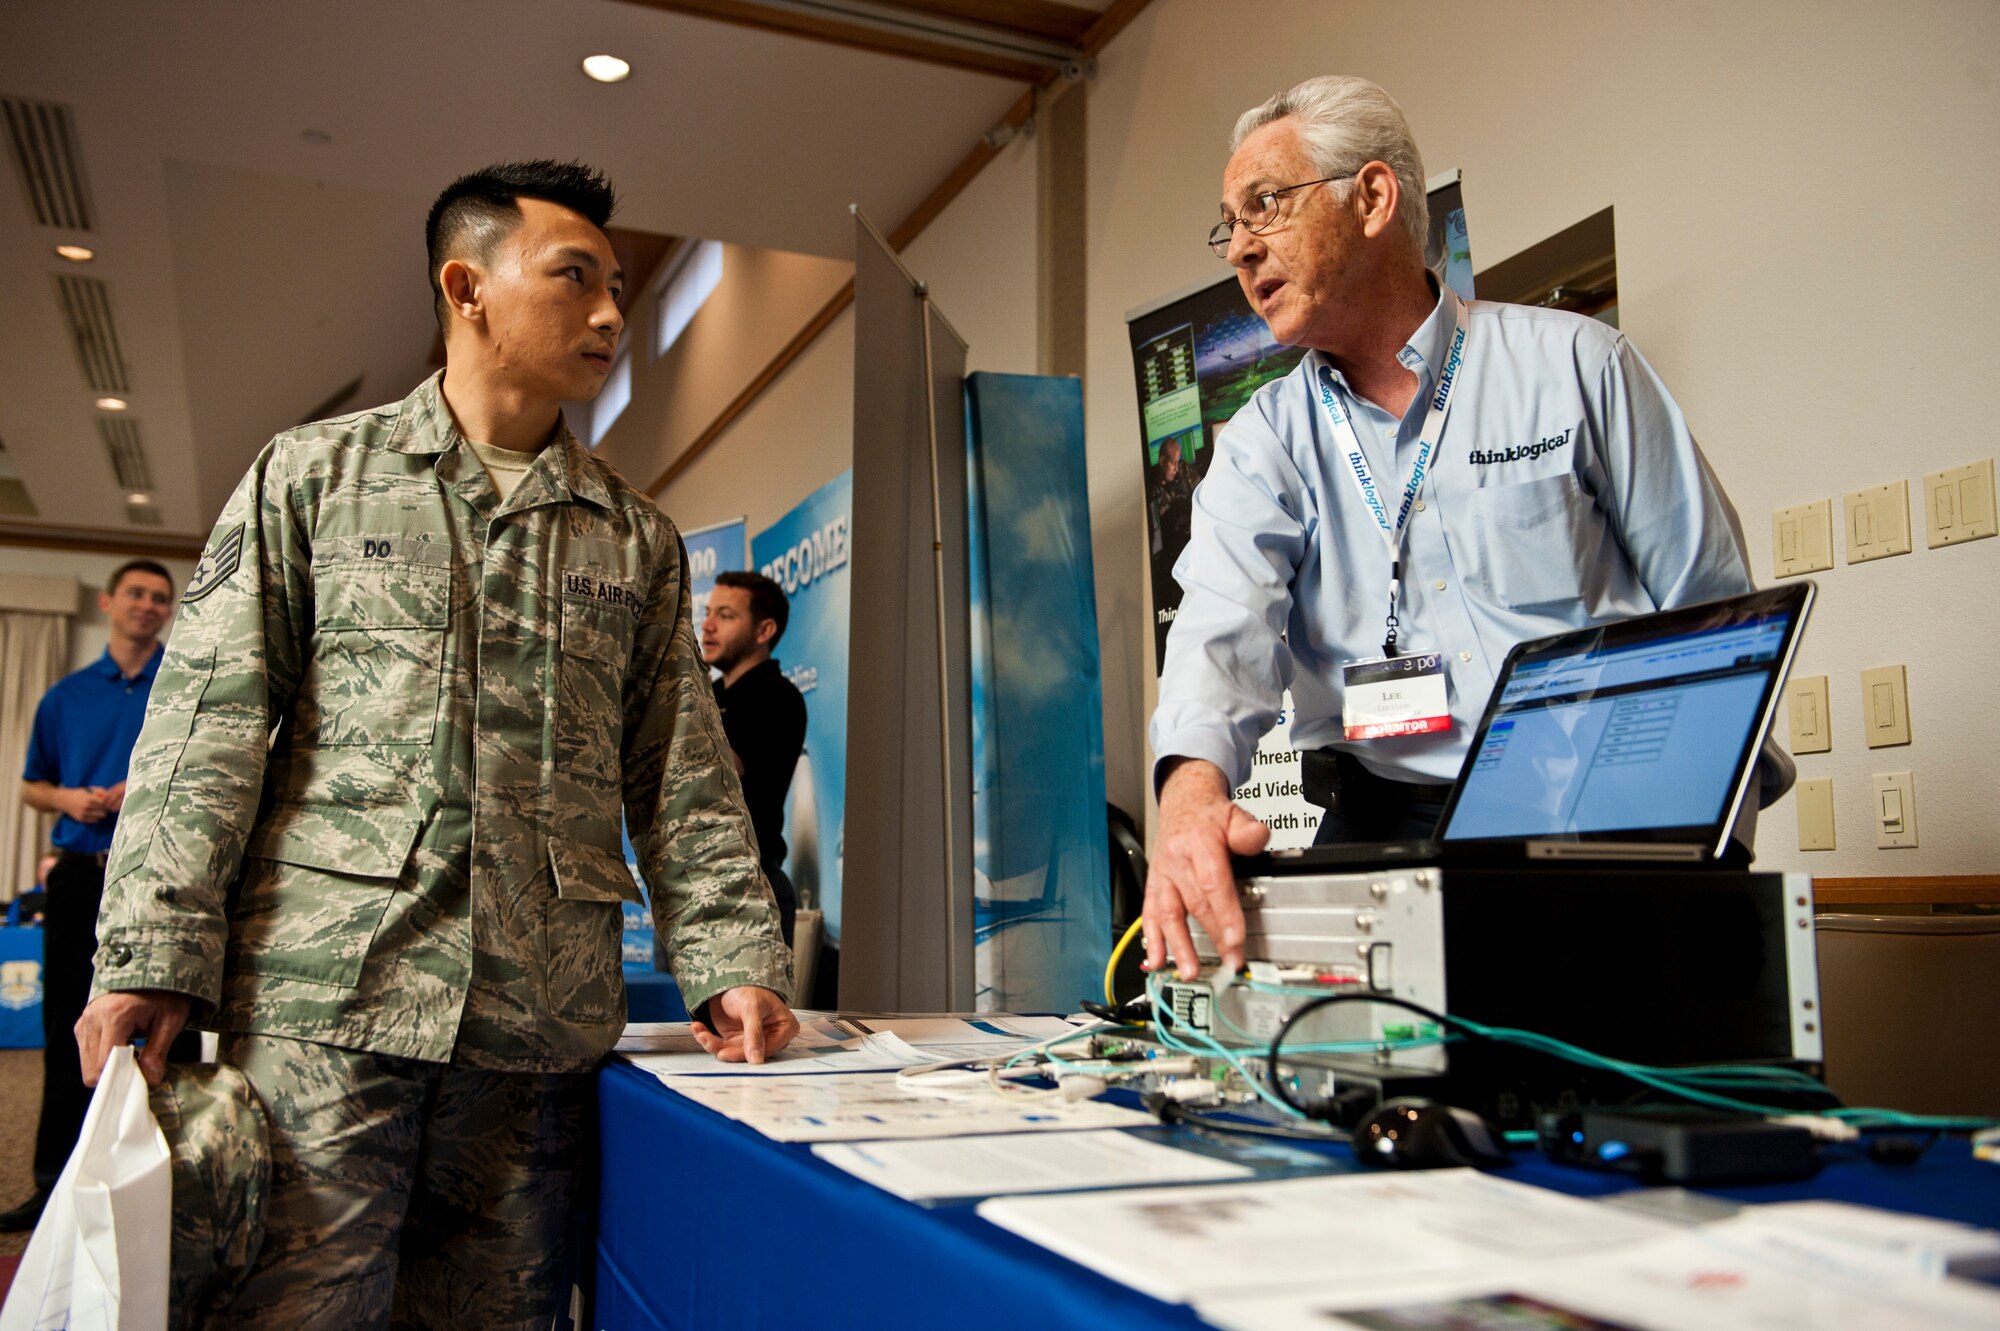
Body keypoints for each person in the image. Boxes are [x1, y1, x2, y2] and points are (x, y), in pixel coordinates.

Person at [73, 160, 798, 1328]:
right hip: (327, 1006)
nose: (612, 311)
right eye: (577, 278)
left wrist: (730, 953)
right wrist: (150, 949)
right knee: (292, 1310)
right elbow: (203, 724)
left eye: (619, 285)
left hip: (537, 1025)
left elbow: (683, 772)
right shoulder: (312, 479)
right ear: (467, 285)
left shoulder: (633, 537)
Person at [1145, 76, 1770, 980]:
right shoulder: (1262, 443)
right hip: (1383, 824)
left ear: (1371, 198)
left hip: (1598, 813)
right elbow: (1218, 623)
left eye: (1265, 206)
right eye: (1229, 223)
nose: (1240, 250)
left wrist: (1707, 852)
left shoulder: (1574, 368)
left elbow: (1716, 617)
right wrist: (1191, 794)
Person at [7, 558, 178, 1230]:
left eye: (160, 597)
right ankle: (52, 1184)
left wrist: (146, 789)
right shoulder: (65, 696)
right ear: (110, 601)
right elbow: (30, 785)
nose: (147, 604)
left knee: (164, 1029)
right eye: (136, 592)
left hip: (156, 871)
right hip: (80, 873)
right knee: (64, 1025)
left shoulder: (185, 683)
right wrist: (67, 797)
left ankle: (156, 1186)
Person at [701, 570, 807, 948]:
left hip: (750, 887)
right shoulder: (708, 693)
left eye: (726, 616)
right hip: (694, 885)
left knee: (750, 1010)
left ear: (764, 631)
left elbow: (712, 769)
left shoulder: (778, 697)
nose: (707, 625)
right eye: (708, 611)